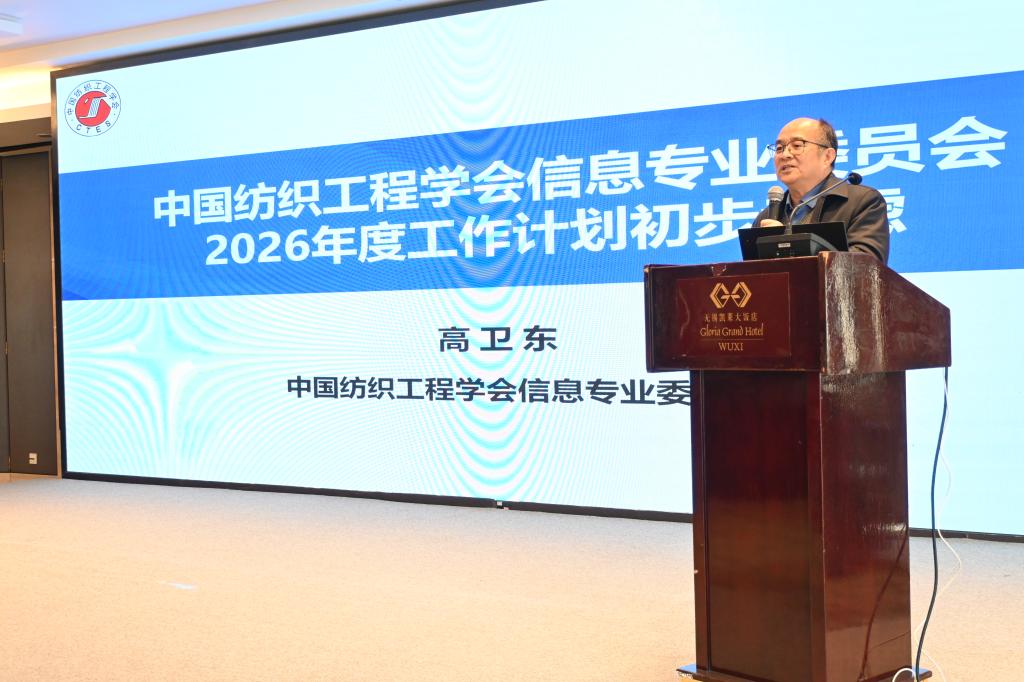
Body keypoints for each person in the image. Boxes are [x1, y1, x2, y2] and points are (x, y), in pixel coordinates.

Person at [753, 117, 889, 264]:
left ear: (827, 156)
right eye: (779, 148)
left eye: (797, 146)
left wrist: (787, 245)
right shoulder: (765, 218)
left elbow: (866, 265)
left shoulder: (862, 202)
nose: (785, 155)